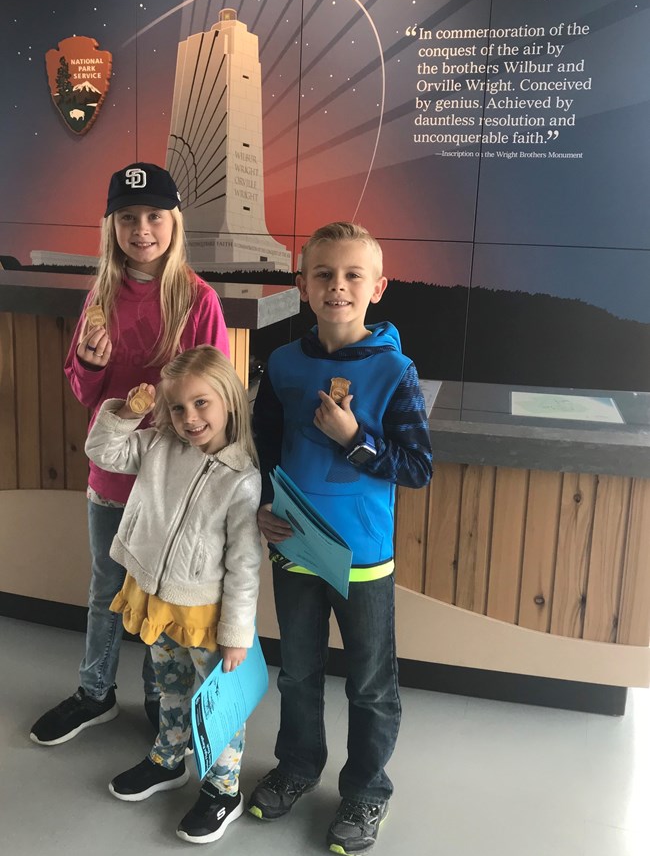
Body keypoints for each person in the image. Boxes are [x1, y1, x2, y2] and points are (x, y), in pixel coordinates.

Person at [30, 163, 230, 746]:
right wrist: (90, 364)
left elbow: (213, 400)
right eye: (128, 217)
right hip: (110, 479)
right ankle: (95, 692)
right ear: (112, 225)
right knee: (104, 591)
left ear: (174, 221)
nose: (141, 229)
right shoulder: (101, 295)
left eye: (153, 216)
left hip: (168, 484)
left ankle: (158, 699)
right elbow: (84, 394)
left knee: (158, 597)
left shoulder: (199, 299)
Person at [249, 222, 433, 854]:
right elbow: (263, 451)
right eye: (324, 274)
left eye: (353, 275)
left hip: (363, 558)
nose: (338, 287)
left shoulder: (394, 370)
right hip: (296, 550)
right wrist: (263, 507)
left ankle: (365, 790)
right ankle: (299, 766)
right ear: (302, 285)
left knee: (370, 684)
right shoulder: (281, 363)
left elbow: (417, 467)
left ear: (377, 287)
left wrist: (356, 441)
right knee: (298, 673)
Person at [85, 345, 262, 843]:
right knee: (168, 685)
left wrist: (236, 635)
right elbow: (102, 451)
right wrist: (127, 413)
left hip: (206, 613)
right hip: (157, 598)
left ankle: (223, 790)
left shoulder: (242, 480)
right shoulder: (158, 443)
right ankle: (169, 758)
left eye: (202, 403)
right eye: (179, 407)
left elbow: (244, 566)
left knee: (217, 705)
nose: (189, 418)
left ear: (228, 400)